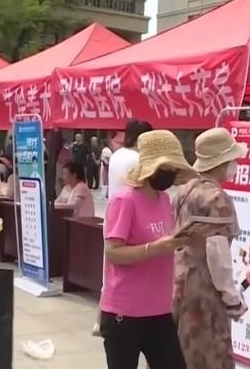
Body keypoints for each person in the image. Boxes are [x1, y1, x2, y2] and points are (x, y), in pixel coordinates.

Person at [100, 130, 197, 369]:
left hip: (159, 308)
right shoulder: (125, 201)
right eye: (165, 168)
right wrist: (152, 249)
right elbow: (113, 252)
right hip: (125, 311)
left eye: (173, 168)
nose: (170, 174)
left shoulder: (163, 200)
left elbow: (162, 241)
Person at [171, 127, 247, 369]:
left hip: (178, 281)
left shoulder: (183, 191)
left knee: (178, 352)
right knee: (207, 354)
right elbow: (218, 254)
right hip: (205, 288)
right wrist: (231, 298)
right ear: (222, 163)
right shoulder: (216, 198)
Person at [95, 119, 153, 336]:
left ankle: (101, 319)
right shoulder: (138, 159)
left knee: (108, 270)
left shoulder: (117, 155)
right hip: (133, 217)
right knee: (128, 269)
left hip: (113, 214)